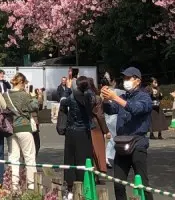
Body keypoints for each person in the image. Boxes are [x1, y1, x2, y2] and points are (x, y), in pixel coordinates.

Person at [102, 67, 154, 200]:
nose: (125, 81)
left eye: (128, 78)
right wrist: (106, 99)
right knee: (118, 183)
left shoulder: (145, 97)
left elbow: (136, 109)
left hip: (137, 142)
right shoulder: (122, 96)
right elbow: (111, 109)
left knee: (142, 182)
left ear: (137, 81)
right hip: (121, 143)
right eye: (124, 78)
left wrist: (115, 98)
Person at [61, 77, 100, 200]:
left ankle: (70, 188)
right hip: (84, 132)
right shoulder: (91, 96)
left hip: (71, 131)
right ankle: (85, 186)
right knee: (84, 159)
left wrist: (67, 89)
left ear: (76, 85)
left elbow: (62, 102)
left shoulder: (71, 96)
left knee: (70, 159)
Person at [6, 73, 40, 189]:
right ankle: (31, 184)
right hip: (24, 127)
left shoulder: (6, 95)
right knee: (29, 156)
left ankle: (14, 184)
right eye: (24, 84)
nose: (25, 86)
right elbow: (34, 107)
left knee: (13, 157)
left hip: (11, 128)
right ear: (21, 82)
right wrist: (35, 97)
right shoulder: (24, 95)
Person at [99, 73, 121, 166]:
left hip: (104, 116)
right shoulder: (115, 91)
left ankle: (105, 157)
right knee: (114, 137)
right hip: (113, 116)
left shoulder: (101, 92)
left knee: (105, 138)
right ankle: (108, 157)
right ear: (113, 82)